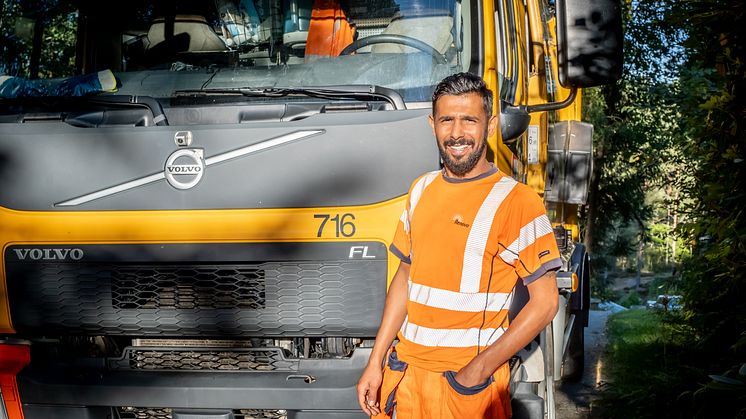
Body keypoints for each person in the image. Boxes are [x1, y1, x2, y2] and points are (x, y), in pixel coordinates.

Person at [356, 72, 561, 418]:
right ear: (432, 123)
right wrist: (375, 362)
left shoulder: (518, 201)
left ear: (491, 125)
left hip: (466, 390)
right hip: (405, 378)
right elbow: (405, 278)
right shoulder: (420, 190)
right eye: (446, 120)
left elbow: (545, 303)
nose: (456, 134)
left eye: (469, 120)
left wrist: (477, 371)